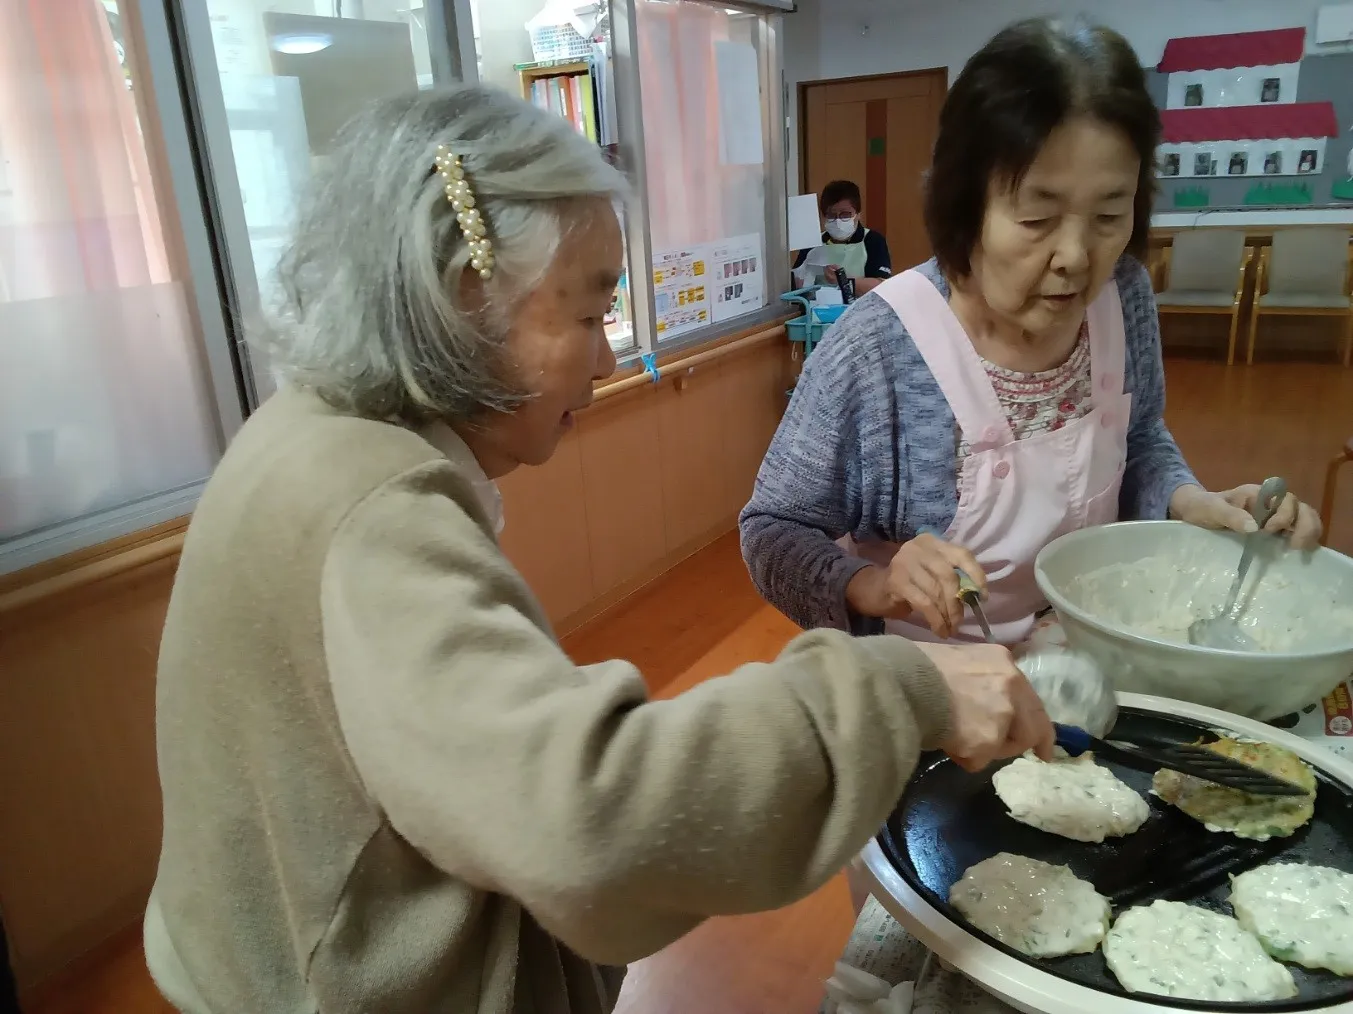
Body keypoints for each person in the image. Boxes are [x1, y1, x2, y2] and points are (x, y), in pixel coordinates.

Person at [143, 85, 1055, 1013]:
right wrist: (902, 691)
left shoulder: (302, 431)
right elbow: (589, 823)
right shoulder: (377, 506)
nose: (609, 359)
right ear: (464, 295)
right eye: (587, 317)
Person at [743, 18, 1321, 653]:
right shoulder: (880, 348)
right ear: (966, 205)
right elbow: (774, 532)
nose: (1076, 256)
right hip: (934, 694)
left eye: (1109, 213)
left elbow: (1140, 439)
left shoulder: (1121, 295)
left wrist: (1186, 501)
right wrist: (876, 585)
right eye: (1037, 218)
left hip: (1085, 654)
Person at [792, 179, 893, 294]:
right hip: (819, 308)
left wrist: (842, 281)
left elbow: (882, 285)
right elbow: (795, 281)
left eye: (845, 214)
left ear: (858, 214)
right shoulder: (813, 242)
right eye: (831, 215)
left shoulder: (872, 240)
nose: (838, 220)